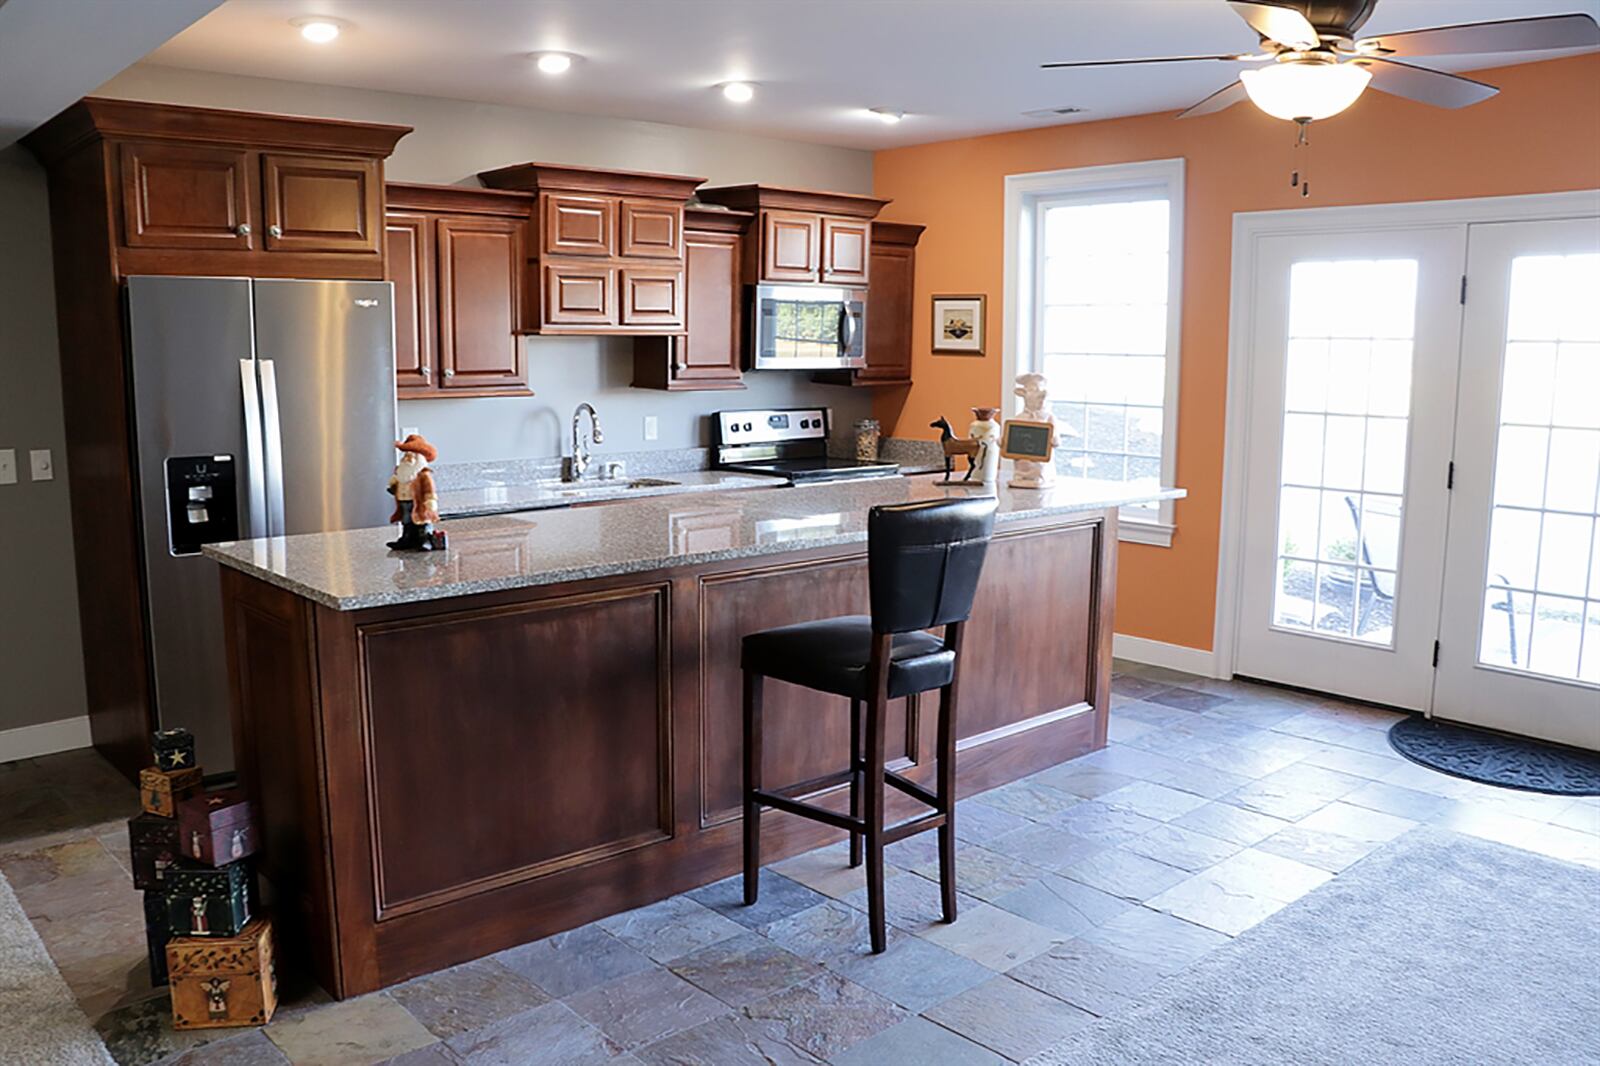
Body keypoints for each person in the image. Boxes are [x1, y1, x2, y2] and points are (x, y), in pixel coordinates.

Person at [387, 434, 443, 551]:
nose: (408, 457)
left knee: (422, 520)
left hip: (418, 503)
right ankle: (407, 539)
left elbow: (428, 489)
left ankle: (424, 540)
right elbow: (397, 481)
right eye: (406, 454)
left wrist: (430, 500)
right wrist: (393, 485)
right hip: (404, 502)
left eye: (412, 454)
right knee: (406, 521)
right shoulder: (401, 471)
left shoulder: (423, 474)